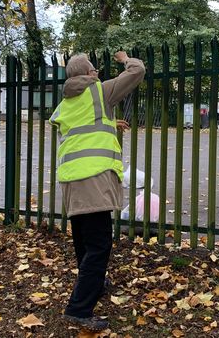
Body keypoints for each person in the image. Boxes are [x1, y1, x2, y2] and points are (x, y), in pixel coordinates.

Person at [49, 51, 145, 331]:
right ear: (89, 74)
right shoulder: (99, 91)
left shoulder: (66, 101)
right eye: (94, 70)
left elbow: (79, 128)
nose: (97, 74)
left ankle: (95, 282)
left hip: (71, 179)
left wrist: (110, 123)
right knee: (99, 244)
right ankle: (79, 308)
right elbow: (137, 71)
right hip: (93, 178)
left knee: (83, 240)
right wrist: (126, 58)